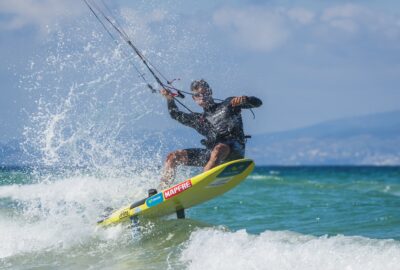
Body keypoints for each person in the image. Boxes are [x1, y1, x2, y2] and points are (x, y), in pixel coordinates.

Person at [159, 79, 262, 188]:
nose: (202, 96)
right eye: (198, 95)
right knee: (173, 157)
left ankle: (199, 186)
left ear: (210, 92)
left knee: (219, 148)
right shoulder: (198, 120)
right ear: (194, 99)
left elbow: (258, 103)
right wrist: (169, 99)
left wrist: (246, 99)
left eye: (205, 93)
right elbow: (175, 114)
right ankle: (162, 190)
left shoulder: (229, 104)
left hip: (235, 151)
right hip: (214, 155)